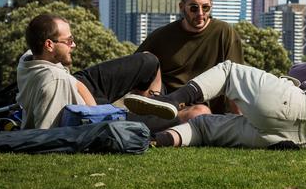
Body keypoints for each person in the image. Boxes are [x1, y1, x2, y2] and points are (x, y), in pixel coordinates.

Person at [124, 18, 306, 149]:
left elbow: (296, 70)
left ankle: (171, 101)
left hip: (294, 105)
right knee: (205, 128)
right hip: (298, 140)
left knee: (229, 71)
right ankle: (155, 141)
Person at [17, 13, 209, 130]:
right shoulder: (54, 80)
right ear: (49, 45)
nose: (74, 45)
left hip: (83, 86)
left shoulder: (28, 60)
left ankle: (153, 103)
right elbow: (46, 134)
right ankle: (161, 111)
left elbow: (70, 81)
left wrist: (81, 89)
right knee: (197, 113)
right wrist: (98, 112)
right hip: (89, 114)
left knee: (148, 61)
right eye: (68, 41)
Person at [136, 0, 243, 113]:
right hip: (166, 107)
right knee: (146, 60)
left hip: (204, 112)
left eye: (206, 8)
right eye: (193, 8)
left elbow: (236, 79)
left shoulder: (224, 32)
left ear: (211, 6)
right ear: (181, 7)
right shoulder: (162, 36)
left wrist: (240, 120)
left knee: (199, 112)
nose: (200, 13)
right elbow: (136, 68)